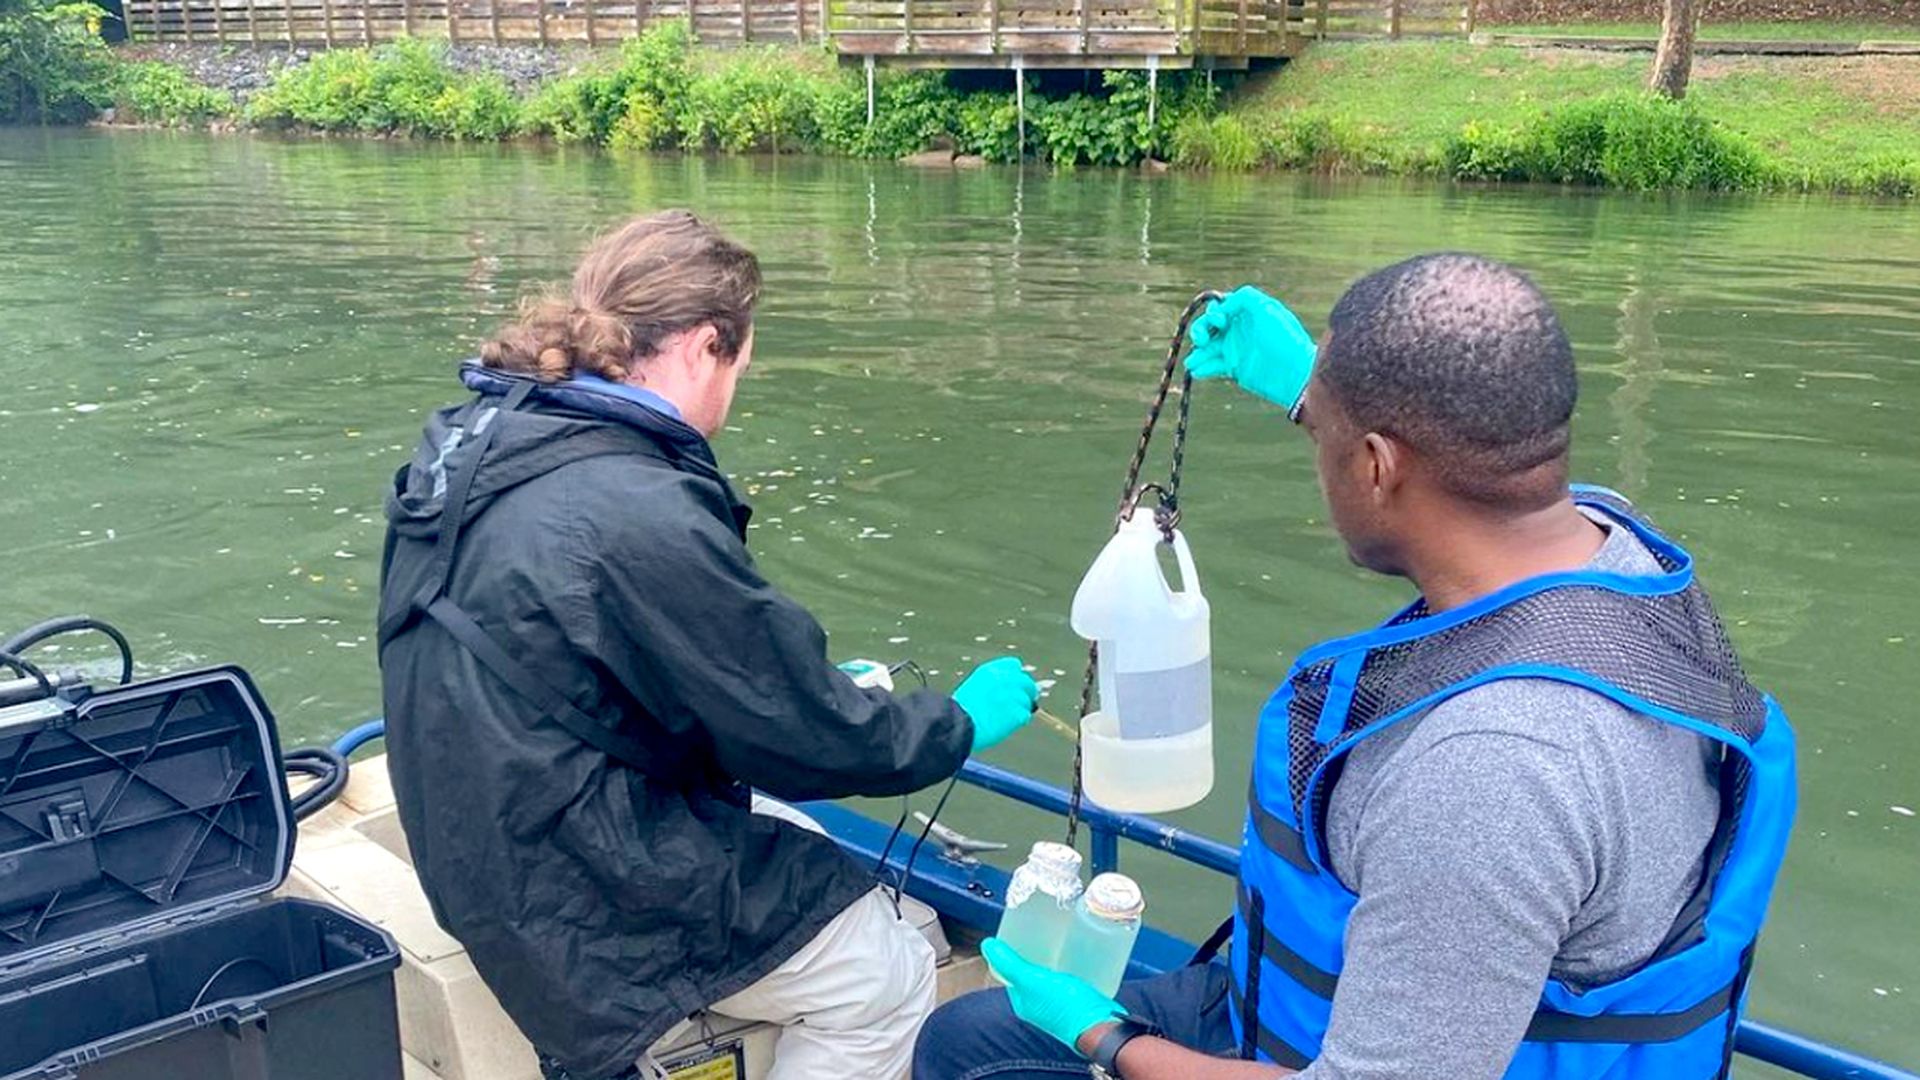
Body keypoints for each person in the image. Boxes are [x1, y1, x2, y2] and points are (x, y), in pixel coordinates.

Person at [914, 253, 1797, 1080]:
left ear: (1376, 465)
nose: (1318, 456)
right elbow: (1455, 458)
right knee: (971, 1036)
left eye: (1325, 441)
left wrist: (1104, 1037)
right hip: (1333, 1001)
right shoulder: (1612, 548)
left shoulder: (1493, 772)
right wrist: (1312, 391)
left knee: (987, 1047)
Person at [376, 211, 1040, 1080]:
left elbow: (583, 660)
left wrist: (786, 691)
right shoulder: (636, 505)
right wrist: (957, 722)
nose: (737, 388)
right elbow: (819, 740)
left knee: (792, 835)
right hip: (568, 896)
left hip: (471, 841)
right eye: (741, 361)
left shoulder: (483, 443)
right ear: (700, 346)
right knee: (887, 967)